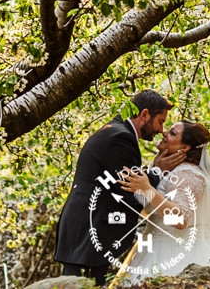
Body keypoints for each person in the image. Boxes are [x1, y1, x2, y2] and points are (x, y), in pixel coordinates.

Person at [114, 119, 210, 282]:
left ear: (184, 147)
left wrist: (148, 190)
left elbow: (181, 219)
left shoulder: (188, 174)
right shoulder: (173, 172)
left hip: (175, 251)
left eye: (172, 133)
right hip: (155, 246)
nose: (164, 133)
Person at [54, 89, 186, 286]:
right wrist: (158, 172)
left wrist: (152, 172)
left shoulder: (114, 130)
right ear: (145, 115)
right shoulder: (120, 138)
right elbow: (127, 189)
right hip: (89, 233)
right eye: (160, 121)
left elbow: (124, 179)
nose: (160, 129)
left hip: (84, 231)